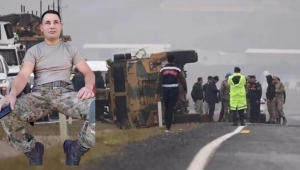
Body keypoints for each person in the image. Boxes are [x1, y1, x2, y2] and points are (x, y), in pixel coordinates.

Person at [0, 10, 96, 166]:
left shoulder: (70, 49)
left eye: (55, 22)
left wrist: (88, 86)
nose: (52, 26)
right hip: (40, 95)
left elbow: (88, 72)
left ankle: (76, 149)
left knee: (93, 107)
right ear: (41, 28)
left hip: (66, 94)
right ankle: (32, 150)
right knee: (6, 111)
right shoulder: (34, 51)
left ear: (61, 26)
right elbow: (23, 76)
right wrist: (12, 94)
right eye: (47, 23)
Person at [155, 53, 187, 132]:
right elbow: (183, 80)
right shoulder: (177, 69)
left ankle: (167, 126)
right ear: (174, 60)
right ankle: (168, 126)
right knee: (171, 108)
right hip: (174, 91)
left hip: (165, 91)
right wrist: (185, 89)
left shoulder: (162, 70)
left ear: (167, 60)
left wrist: (156, 92)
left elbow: (158, 82)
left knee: (166, 107)